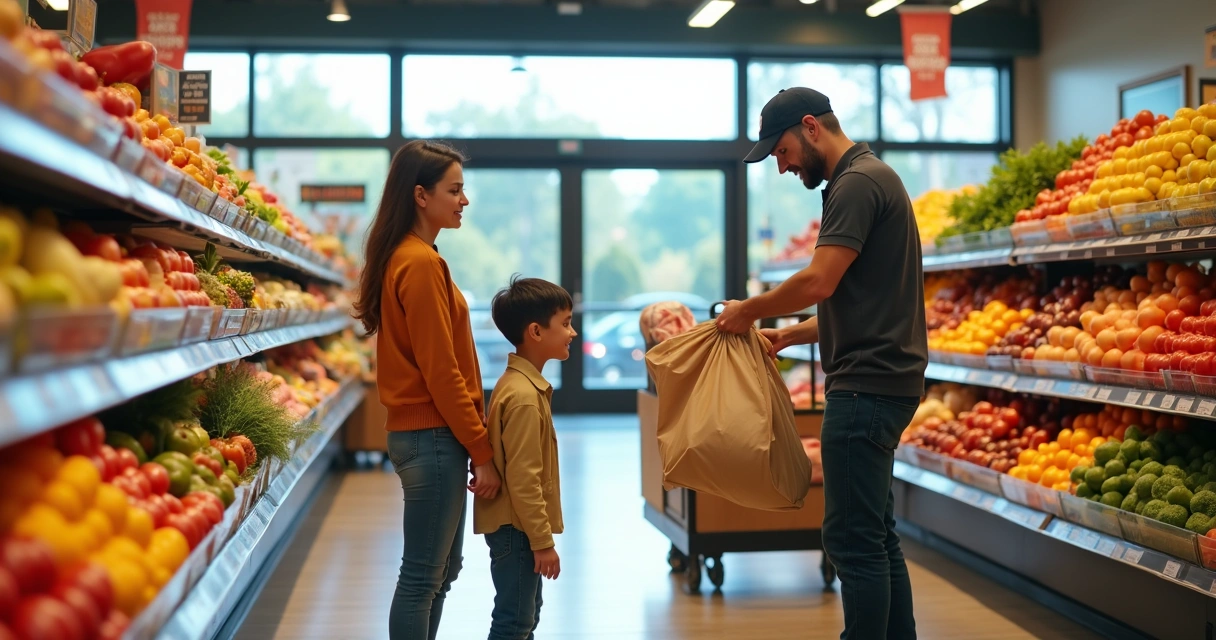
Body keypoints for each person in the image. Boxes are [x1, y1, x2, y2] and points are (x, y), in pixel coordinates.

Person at [715, 87, 928, 640]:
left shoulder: (854, 184)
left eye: (780, 151)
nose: (781, 166)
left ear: (810, 127)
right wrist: (786, 335)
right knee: (877, 536)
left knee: (851, 542)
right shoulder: (871, 175)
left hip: (864, 391)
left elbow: (819, 281)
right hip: (886, 382)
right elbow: (858, 304)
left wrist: (749, 311)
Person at [353, 139, 502, 640]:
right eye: (454, 190)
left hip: (429, 437)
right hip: (432, 436)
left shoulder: (414, 256)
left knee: (440, 571)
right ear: (421, 195)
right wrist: (481, 450)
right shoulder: (418, 263)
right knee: (422, 576)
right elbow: (442, 371)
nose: (464, 200)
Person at [473, 276, 575, 640]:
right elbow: (524, 479)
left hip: (515, 527)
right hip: (517, 529)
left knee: (524, 615)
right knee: (514, 621)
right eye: (565, 323)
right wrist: (542, 541)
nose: (572, 332)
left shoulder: (517, 384)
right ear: (535, 331)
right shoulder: (525, 398)